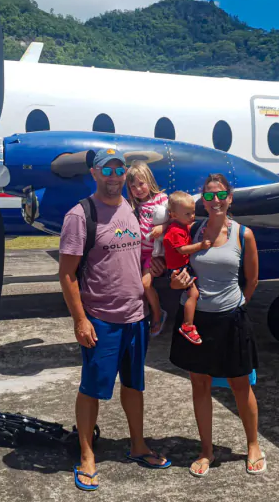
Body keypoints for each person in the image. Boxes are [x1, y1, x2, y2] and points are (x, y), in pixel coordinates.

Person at [59, 148, 170, 492]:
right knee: (92, 388)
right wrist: (80, 319)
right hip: (101, 319)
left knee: (134, 386)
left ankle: (137, 445)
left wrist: (153, 277)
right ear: (93, 174)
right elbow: (66, 275)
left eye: (118, 170)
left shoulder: (132, 210)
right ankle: (87, 455)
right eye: (106, 170)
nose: (113, 176)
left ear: (125, 174)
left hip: (135, 317)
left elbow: (140, 258)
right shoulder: (80, 215)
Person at [168, 173, 266, 478]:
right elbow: (177, 266)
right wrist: (175, 282)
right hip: (197, 320)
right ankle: (206, 450)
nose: (215, 201)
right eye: (208, 196)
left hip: (231, 319)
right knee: (200, 384)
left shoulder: (242, 234)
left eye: (220, 195)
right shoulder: (193, 230)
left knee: (240, 384)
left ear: (230, 198)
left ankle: (253, 445)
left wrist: (238, 305)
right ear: (203, 201)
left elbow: (252, 279)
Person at [125, 161, 168, 333]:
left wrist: (163, 228)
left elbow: (174, 220)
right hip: (138, 253)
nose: (138, 189)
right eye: (133, 186)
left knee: (145, 283)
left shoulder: (161, 200)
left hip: (153, 253)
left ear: (149, 181)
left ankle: (158, 314)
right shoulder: (134, 206)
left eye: (141, 184)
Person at [163, 191, 211, 345]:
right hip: (179, 269)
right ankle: (188, 325)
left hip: (182, 266)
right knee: (193, 294)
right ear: (174, 215)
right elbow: (182, 249)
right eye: (187, 214)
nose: (192, 217)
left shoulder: (181, 226)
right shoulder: (175, 231)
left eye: (193, 212)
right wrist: (200, 246)